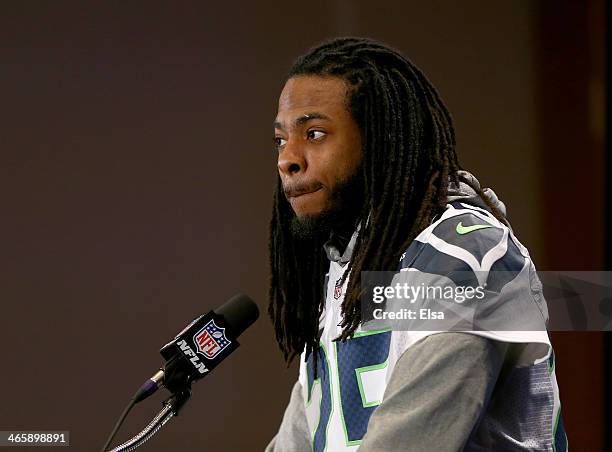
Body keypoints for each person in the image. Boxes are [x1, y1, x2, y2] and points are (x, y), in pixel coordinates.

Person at [265, 37, 567, 451]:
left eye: (314, 133)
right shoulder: (346, 268)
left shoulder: (464, 257)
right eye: (281, 140)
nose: (287, 159)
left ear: (380, 139)